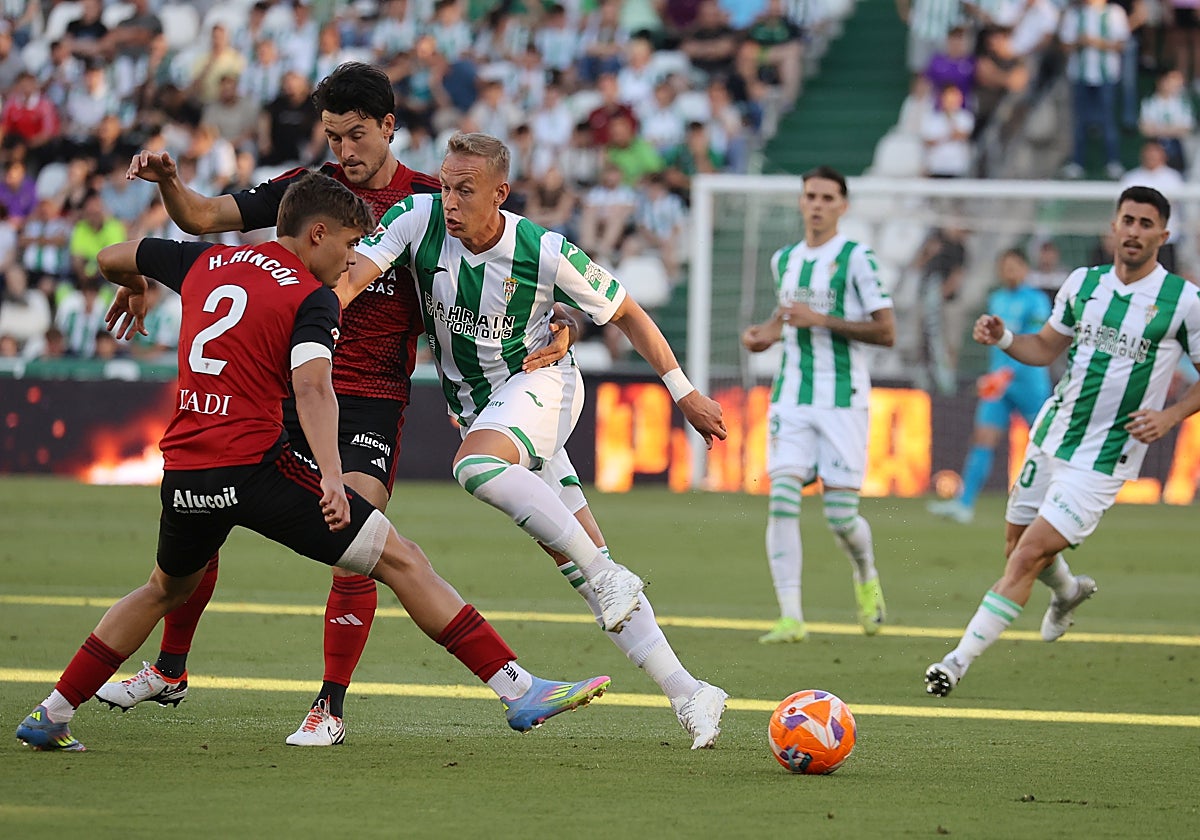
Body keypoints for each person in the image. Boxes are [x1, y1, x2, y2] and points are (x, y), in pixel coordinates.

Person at [14, 173, 611, 752]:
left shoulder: (202, 261)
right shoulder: (310, 296)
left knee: (162, 589)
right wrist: (329, 474)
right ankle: (519, 689)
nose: (354, 262)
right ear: (318, 235)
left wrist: (136, 283)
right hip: (257, 468)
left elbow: (115, 256)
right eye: (351, 246)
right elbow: (314, 390)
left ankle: (53, 711)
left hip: (186, 471)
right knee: (402, 559)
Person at [104, 62, 557, 747]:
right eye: (332, 135)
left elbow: (510, 269)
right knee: (207, 515)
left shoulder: (437, 202)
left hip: (370, 399)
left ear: (387, 128)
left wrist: (557, 327)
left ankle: (330, 706)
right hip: (286, 386)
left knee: (361, 542)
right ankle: (169, 669)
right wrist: (169, 181)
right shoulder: (308, 193)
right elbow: (199, 218)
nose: (343, 151)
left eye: (354, 136)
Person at [344, 131, 733, 750]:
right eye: (445, 185)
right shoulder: (417, 220)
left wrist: (683, 391)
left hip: (543, 387)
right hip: (483, 410)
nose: (448, 198)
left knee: (474, 470)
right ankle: (690, 692)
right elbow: (350, 280)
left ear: (499, 193)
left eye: (464, 190)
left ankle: (609, 573)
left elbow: (627, 311)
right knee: (579, 564)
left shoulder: (543, 250)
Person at [925, 186, 1200, 697]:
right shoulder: (1083, 284)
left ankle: (955, 661)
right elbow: (1046, 346)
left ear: (1163, 234)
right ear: (1113, 228)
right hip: (1052, 435)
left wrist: (1172, 416)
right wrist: (1005, 338)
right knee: (1015, 546)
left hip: (1104, 458)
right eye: (1127, 221)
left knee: (1026, 555)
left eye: (1146, 224)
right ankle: (1069, 592)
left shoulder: (1183, 301)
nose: (1134, 231)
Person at [739, 166, 896, 644]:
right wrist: (766, 334)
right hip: (791, 396)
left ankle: (866, 575)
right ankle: (791, 617)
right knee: (782, 496)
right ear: (800, 201)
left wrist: (821, 320)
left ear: (843, 206)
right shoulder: (783, 259)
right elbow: (787, 316)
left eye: (828, 197)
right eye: (810, 195)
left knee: (841, 518)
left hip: (843, 398)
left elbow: (886, 331)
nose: (818, 204)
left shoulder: (857, 259)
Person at [928, 249, 1051, 524]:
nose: (1009, 272)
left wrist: (1007, 373)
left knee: (1045, 445)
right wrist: (997, 375)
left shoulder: (1037, 300)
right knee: (983, 438)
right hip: (999, 385)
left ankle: (1055, 505)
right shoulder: (996, 298)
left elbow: (1036, 341)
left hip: (1029, 382)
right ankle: (964, 504)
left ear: (1025, 268)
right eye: (1004, 267)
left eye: (1015, 266)